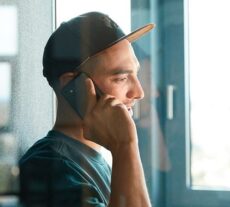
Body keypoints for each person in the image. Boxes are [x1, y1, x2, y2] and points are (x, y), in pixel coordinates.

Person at [19, 11, 154, 207]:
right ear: (72, 86)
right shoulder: (48, 168)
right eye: (121, 78)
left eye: (135, 75)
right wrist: (125, 145)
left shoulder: (93, 161)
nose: (139, 92)